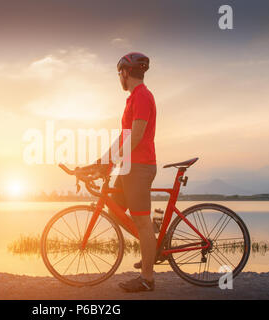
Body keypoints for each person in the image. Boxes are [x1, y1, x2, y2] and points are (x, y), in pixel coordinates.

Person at [96, 52, 157, 292]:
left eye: (119, 73)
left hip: (140, 166)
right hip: (130, 167)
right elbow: (125, 136)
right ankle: (150, 246)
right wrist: (103, 160)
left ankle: (147, 278)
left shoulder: (142, 96)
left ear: (125, 72)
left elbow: (138, 136)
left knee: (142, 222)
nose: (118, 78)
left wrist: (114, 160)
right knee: (115, 207)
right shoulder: (133, 99)